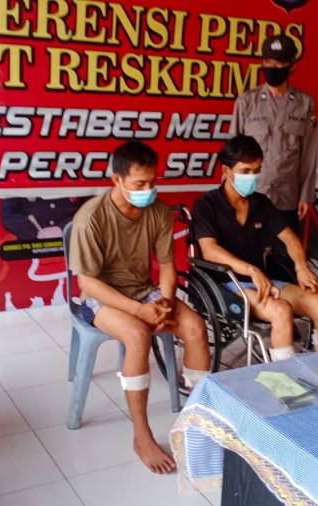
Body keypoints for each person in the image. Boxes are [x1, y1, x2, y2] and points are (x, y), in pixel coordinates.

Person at [69, 141, 211, 474]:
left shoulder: (158, 212)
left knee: (194, 325)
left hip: (144, 291)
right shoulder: (91, 218)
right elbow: (88, 282)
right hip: (100, 297)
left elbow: (167, 264)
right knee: (137, 335)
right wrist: (139, 311)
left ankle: (198, 422)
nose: (148, 190)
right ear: (116, 180)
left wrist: (165, 301)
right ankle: (142, 436)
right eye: (139, 184)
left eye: (152, 182)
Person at [192, 135, 318, 361]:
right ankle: (285, 378)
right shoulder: (206, 205)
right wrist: (252, 270)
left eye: (256, 170)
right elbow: (209, 251)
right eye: (245, 171)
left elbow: (290, 238)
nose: (252, 177)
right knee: (281, 311)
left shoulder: (261, 203)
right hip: (225, 284)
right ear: (226, 171)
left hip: (264, 281)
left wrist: (301, 266)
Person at [231, 34, 318, 232]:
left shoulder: (305, 104)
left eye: (279, 63)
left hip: (287, 197)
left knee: (286, 249)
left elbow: (309, 154)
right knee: (248, 249)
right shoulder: (247, 102)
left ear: (292, 67)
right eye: (268, 62)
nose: (273, 67)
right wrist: (230, 194)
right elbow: (232, 153)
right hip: (251, 195)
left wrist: (306, 195)